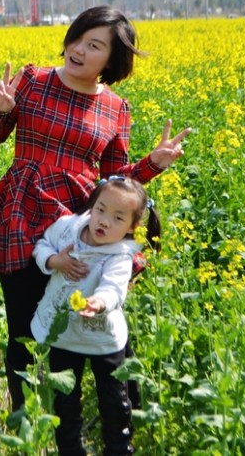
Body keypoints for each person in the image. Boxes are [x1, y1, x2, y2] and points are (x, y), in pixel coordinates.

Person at [0, 5, 189, 411]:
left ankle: (128, 413)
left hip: (80, 223)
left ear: (112, 61)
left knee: (94, 316)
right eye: (78, 38)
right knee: (22, 326)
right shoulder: (33, 79)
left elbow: (115, 179)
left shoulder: (115, 107)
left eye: (95, 45)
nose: (79, 50)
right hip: (22, 213)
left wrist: (153, 164)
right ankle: (24, 419)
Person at [31, 175, 160, 455]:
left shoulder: (119, 255)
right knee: (65, 399)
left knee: (114, 401)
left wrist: (98, 302)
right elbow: (42, 244)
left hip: (102, 338)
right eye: (100, 210)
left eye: (117, 218)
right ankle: (70, 450)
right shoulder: (68, 227)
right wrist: (55, 260)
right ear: (92, 205)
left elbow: (114, 288)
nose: (104, 221)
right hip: (63, 333)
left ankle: (118, 447)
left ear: (132, 227)